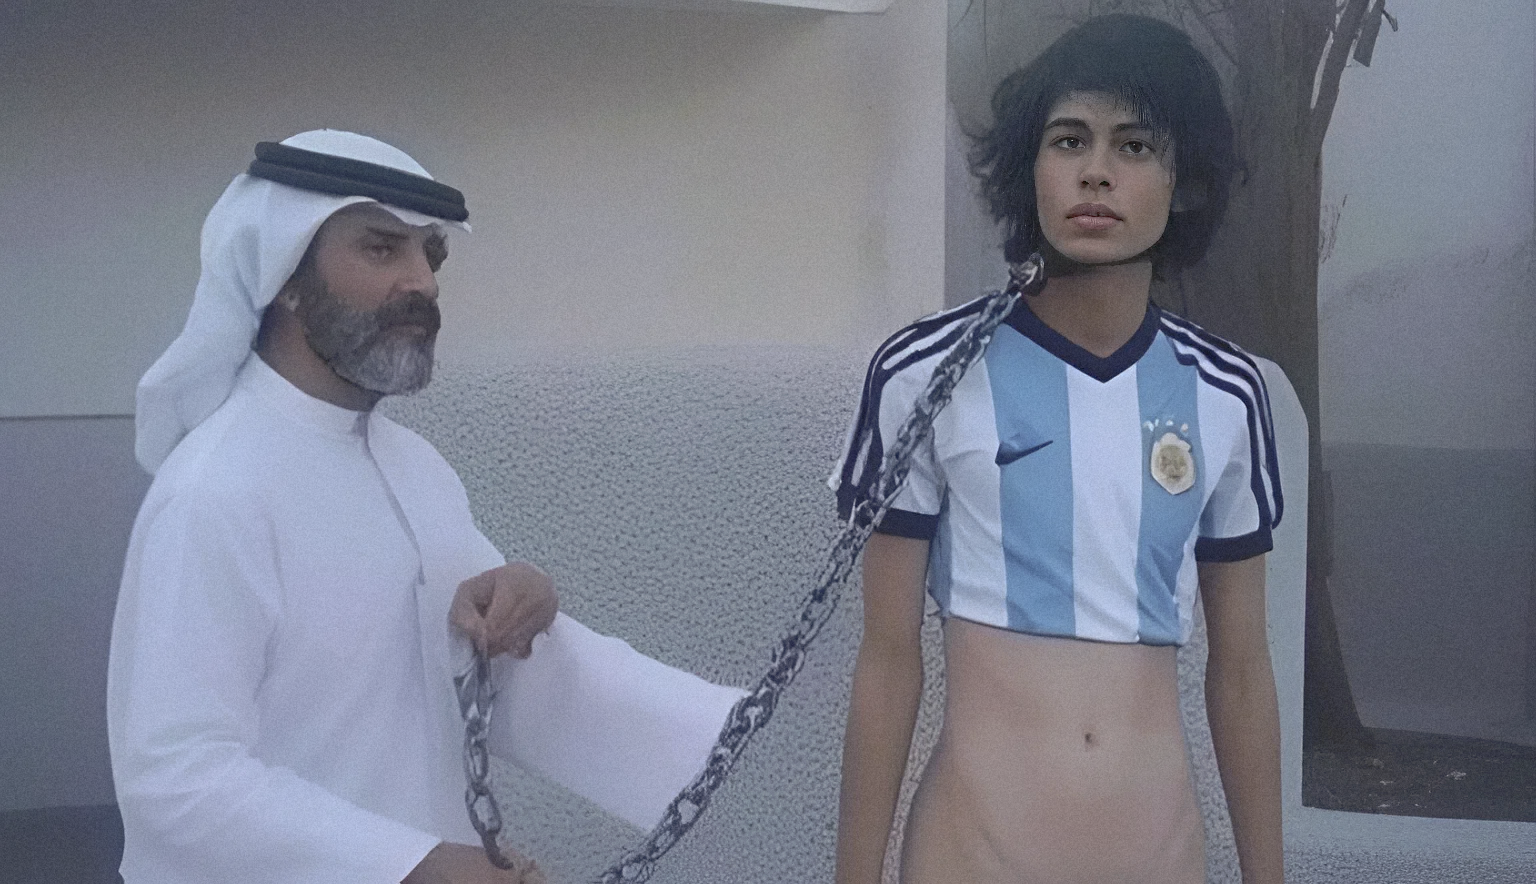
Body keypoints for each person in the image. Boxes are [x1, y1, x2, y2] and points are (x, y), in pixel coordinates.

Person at [110, 130, 744, 884]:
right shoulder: (213, 490)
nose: (423, 283)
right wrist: (413, 864)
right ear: (285, 277)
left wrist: (523, 606)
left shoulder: (416, 468)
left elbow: (473, 667)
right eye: (382, 250)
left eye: (430, 255)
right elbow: (176, 777)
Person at [831, 15, 1283, 884]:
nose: (1096, 171)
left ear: (1185, 182)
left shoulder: (1227, 394)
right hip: (969, 860)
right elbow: (887, 662)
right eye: (1069, 139)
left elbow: (1242, 673)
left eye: (1134, 146)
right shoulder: (926, 373)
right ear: (1027, 167)